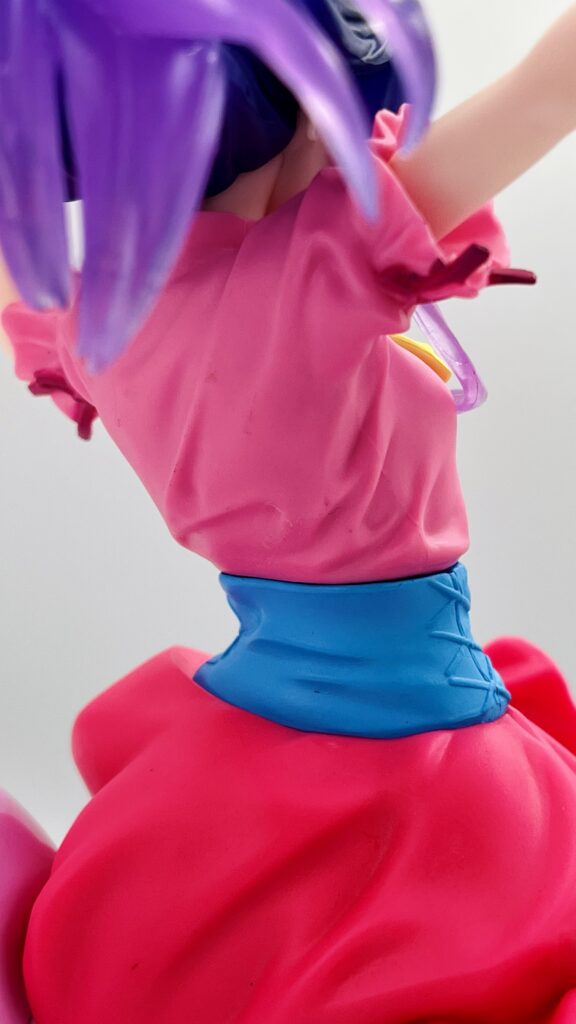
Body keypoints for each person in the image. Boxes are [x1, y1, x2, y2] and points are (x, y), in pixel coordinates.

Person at [3, 1, 576, 1021]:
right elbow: (546, 90)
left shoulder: (97, 324)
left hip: (257, 718)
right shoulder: (322, 265)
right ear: (312, 110)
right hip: (420, 739)